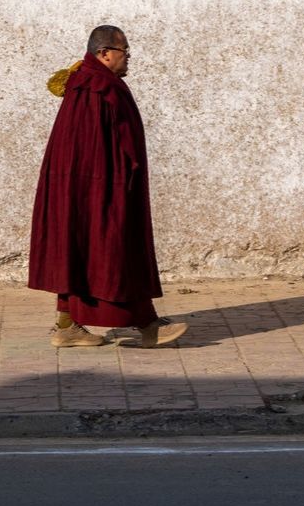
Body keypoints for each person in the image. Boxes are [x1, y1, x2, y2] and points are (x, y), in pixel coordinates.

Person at [28, 25, 188, 349]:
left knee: (80, 250)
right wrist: (116, 185)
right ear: (104, 54)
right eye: (124, 51)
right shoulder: (98, 87)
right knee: (113, 251)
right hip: (101, 186)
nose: (129, 58)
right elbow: (101, 146)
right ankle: (146, 324)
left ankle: (67, 325)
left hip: (83, 187)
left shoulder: (87, 83)